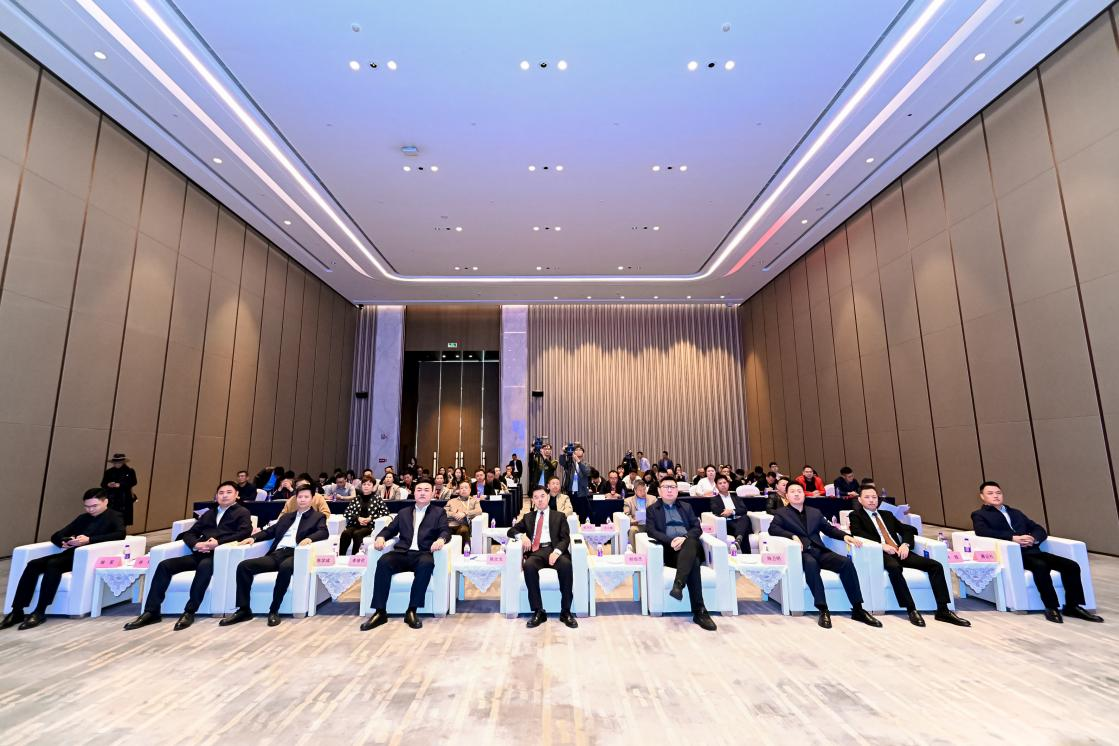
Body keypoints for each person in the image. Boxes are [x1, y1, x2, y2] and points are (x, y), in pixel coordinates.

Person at [124, 481, 253, 631]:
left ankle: (189, 612)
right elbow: (189, 533)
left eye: (229, 492)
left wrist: (218, 543)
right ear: (216, 496)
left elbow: (244, 533)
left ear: (237, 495)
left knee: (204, 567)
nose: (224, 495)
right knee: (165, 565)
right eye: (221, 493)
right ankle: (151, 612)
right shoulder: (209, 513)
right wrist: (196, 544)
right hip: (200, 553)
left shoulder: (242, 512)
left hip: (219, 556)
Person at [972, 481, 1102, 623]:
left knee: (1071, 565)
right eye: (990, 493)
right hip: (1015, 555)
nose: (995, 496)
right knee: (1041, 566)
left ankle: (1073, 606)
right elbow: (982, 531)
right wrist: (1013, 538)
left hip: (1034, 550)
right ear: (982, 497)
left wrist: (1034, 539)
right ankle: (1051, 607)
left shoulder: (1016, 513)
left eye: (998, 493)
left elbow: (1038, 528)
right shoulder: (980, 515)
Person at [2, 488, 125, 630]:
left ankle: (40, 611)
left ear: (105, 502)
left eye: (94, 506)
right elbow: (57, 535)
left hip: (89, 557)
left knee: (53, 565)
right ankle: (17, 610)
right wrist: (63, 542)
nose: (90, 510)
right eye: (87, 506)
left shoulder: (114, 516)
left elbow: (120, 534)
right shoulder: (82, 518)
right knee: (33, 564)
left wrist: (89, 540)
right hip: (70, 554)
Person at [848, 485, 969, 627]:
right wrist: (881, 546)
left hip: (899, 551)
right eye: (867, 497)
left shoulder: (887, 515)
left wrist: (905, 544)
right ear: (860, 500)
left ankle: (943, 610)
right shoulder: (856, 516)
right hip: (880, 553)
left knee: (935, 566)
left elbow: (908, 529)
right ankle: (911, 609)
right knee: (894, 567)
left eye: (874, 497)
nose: (871, 500)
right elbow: (858, 534)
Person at [768, 482, 880, 629]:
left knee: (845, 563)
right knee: (811, 564)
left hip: (819, 550)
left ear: (804, 494)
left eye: (799, 491)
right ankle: (823, 609)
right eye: (793, 491)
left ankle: (858, 609)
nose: (796, 494)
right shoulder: (781, 513)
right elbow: (773, 529)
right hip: (802, 553)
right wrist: (792, 536)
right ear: (787, 496)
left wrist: (845, 536)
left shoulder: (814, 512)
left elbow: (828, 529)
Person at [220, 485, 329, 627]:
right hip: (277, 554)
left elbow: (323, 532)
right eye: (300, 497)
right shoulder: (286, 517)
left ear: (312, 498)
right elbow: (270, 531)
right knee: (244, 566)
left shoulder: (317, 517)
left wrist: (310, 538)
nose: (302, 500)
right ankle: (243, 609)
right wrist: (253, 538)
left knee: (285, 567)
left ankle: (274, 610)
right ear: (295, 498)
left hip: (296, 554)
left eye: (306, 497)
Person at [360, 478, 450, 631]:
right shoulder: (403, 512)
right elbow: (390, 529)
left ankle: (412, 610)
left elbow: (445, 530)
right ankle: (380, 612)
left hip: (423, 553)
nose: (422, 493)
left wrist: (441, 540)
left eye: (426, 490)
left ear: (432, 493)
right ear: (413, 492)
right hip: (402, 552)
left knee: (427, 564)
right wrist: (381, 537)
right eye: (419, 490)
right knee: (383, 561)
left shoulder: (438, 512)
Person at [645, 479, 717, 631]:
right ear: (659, 491)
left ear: (677, 490)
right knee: (693, 562)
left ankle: (679, 584)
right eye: (666, 487)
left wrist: (684, 538)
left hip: (690, 545)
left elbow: (697, 528)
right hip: (670, 551)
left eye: (672, 487)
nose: (669, 490)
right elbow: (651, 531)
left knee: (690, 542)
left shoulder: (686, 506)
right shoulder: (652, 509)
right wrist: (670, 541)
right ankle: (700, 611)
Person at [507, 486, 578, 629]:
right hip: (537, 551)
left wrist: (556, 552)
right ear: (533, 500)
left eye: (542, 496)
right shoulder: (528, 517)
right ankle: (538, 611)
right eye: (536, 497)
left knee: (566, 565)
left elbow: (565, 538)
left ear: (548, 497)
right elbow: (511, 531)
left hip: (554, 549)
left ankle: (566, 611)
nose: (539, 500)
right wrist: (522, 536)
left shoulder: (559, 516)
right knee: (528, 566)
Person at [339, 479, 390, 555]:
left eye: (369, 485)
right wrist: (358, 518)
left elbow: (385, 512)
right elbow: (346, 512)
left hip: (369, 525)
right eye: (364, 484)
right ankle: (341, 556)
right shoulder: (357, 498)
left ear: (373, 487)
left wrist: (371, 518)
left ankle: (355, 557)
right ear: (361, 486)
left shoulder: (377, 498)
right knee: (345, 533)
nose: (366, 486)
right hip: (355, 524)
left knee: (357, 533)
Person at [709, 474, 750, 552]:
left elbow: (744, 509)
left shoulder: (736, 497)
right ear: (716, 486)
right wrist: (728, 512)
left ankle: (738, 539)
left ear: (728, 484)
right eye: (720, 483)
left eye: (724, 483)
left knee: (745, 517)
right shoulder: (714, 499)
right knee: (744, 530)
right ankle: (742, 543)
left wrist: (732, 511)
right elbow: (715, 510)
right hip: (727, 523)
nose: (723, 485)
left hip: (739, 520)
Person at [101, 452, 138, 526]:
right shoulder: (109, 472)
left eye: (119, 462)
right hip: (111, 498)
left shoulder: (130, 471)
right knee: (110, 517)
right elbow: (103, 484)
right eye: (115, 462)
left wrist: (120, 485)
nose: (117, 464)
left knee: (124, 518)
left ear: (123, 462)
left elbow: (134, 482)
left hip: (125, 498)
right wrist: (108, 484)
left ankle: (122, 530)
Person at [445, 480, 483, 546]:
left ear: (470, 490)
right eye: (461, 488)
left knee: (463, 530)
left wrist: (465, 513)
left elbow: (479, 511)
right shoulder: (451, 501)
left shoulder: (474, 501)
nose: (464, 490)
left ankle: (464, 551)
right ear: (459, 490)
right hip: (450, 525)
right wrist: (453, 514)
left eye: (466, 488)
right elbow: (443, 512)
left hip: (463, 525)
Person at [623, 480, 657, 550]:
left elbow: (657, 512)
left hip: (650, 524)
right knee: (632, 530)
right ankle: (635, 552)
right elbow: (626, 514)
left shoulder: (653, 499)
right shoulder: (628, 501)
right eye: (640, 490)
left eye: (644, 489)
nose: (643, 492)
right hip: (637, 525)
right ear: (635, 491)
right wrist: (632, 520)